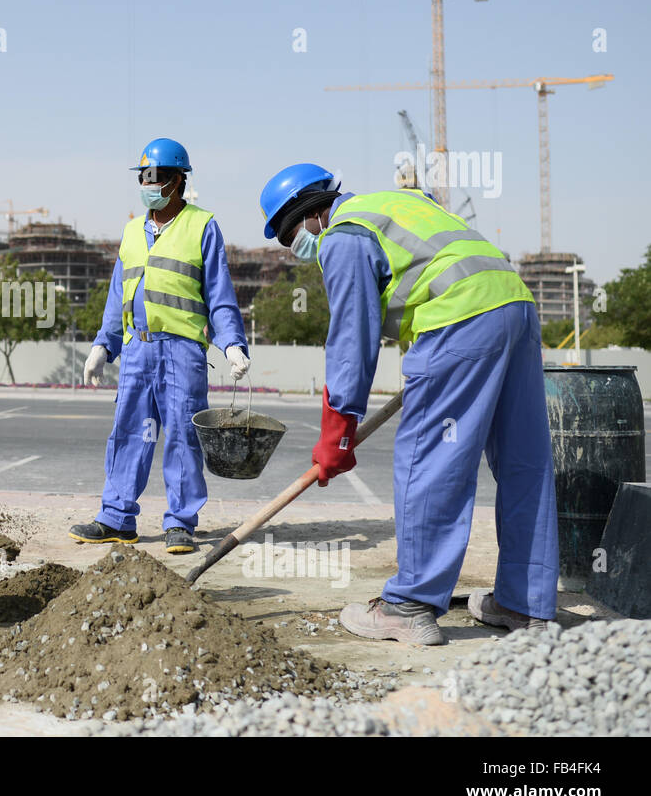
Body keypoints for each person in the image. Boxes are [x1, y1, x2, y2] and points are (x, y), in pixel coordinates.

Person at [258, 163, 559, 645]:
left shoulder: (343, 235)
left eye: (290, 238)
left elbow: (351, 341)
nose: (297, 249)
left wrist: (337, 432)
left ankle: (408, 605)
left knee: (430, 460)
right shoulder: (397, 204)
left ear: (307, 215)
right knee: (526, 464)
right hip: (514, 307)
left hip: (456, 319)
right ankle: (527, 605)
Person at [73, 138, 250, 555]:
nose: (148, 184)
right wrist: (104, 346)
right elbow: (119, 296)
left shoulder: (202, 225)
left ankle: (181, 523)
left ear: (177, 181)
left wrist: (232, 346)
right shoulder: (132, 231)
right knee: (129, 432)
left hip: (183, 350)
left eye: (155, 177)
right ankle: (117, 518)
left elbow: (219, 295)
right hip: (138, 349)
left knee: (183, 436)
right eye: (143, 176)